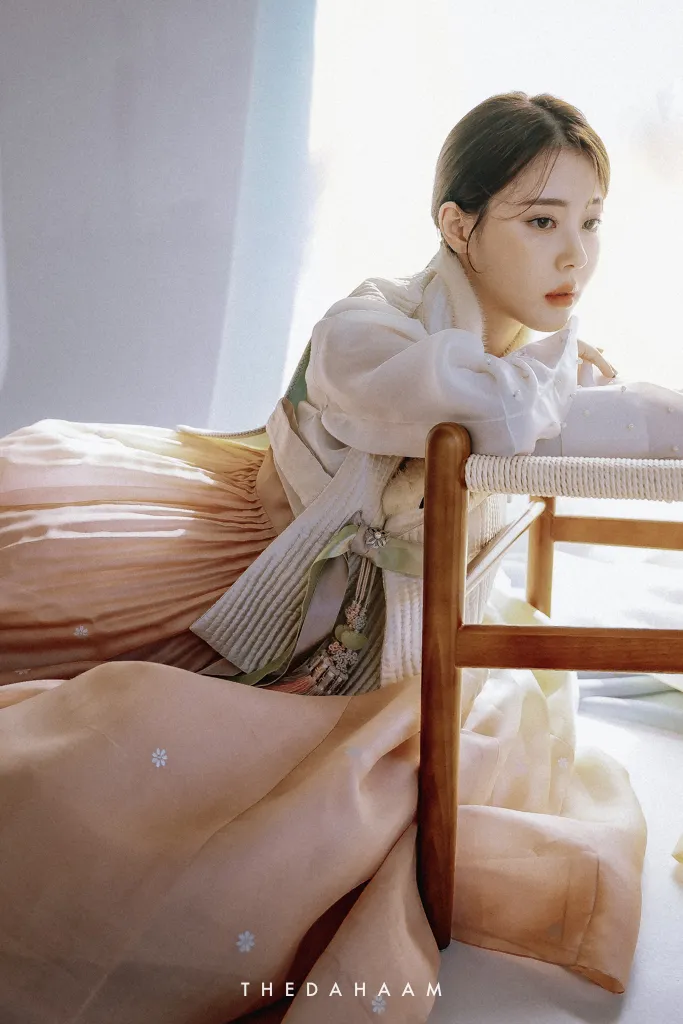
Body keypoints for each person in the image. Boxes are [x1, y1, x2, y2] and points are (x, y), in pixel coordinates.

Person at [0, 90, 681, 1023]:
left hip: (402, 619)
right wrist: (609, 402)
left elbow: (563, 415)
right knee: (99, 746)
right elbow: (493, 413)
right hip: (262, 563)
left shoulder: (535, 355)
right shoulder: (371, 331)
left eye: (590, 222)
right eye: (540, 221)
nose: (575, 254)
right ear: (458, 225)